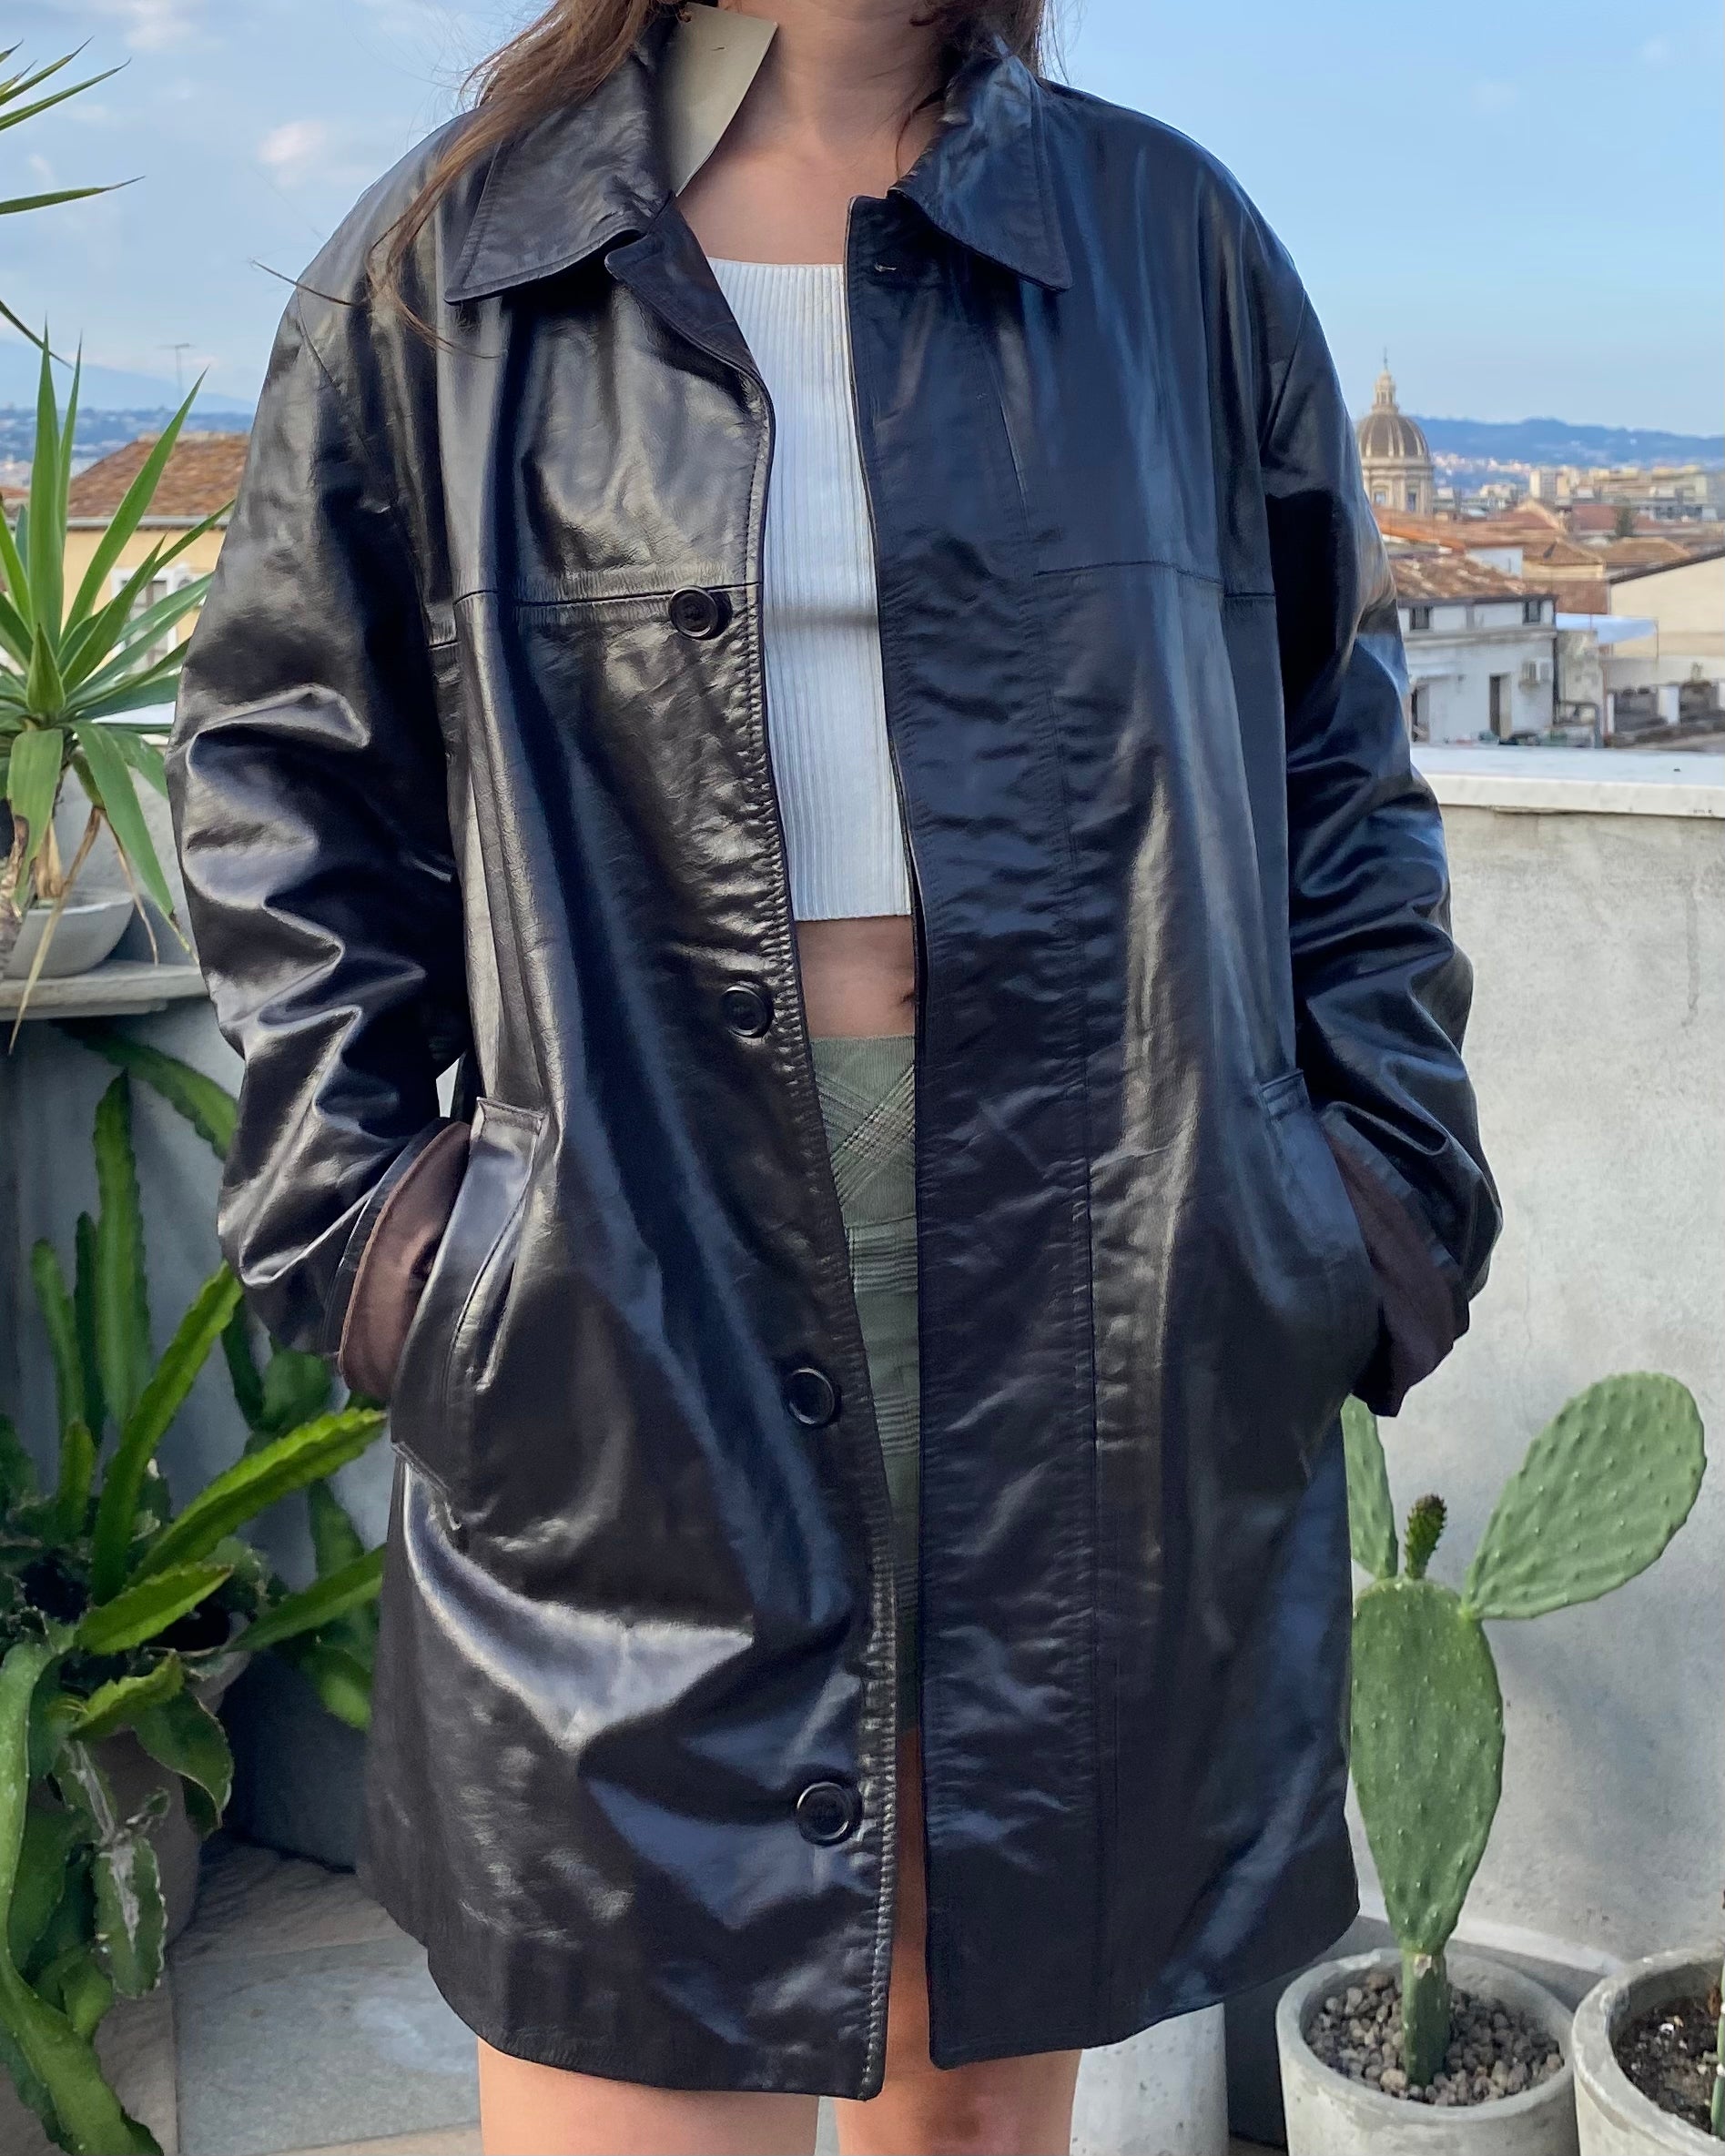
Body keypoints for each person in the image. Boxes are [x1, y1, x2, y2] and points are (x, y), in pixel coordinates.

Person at [167, 0, 1500, 2150]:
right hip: (622, 1313)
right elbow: (281, 786)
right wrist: (398, 1246)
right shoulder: (456, 262)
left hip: (1103, 1291)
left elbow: (1338, 765)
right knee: (639, 2087)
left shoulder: (1166, 244)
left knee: (976, 2110)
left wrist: (1362, 1201)